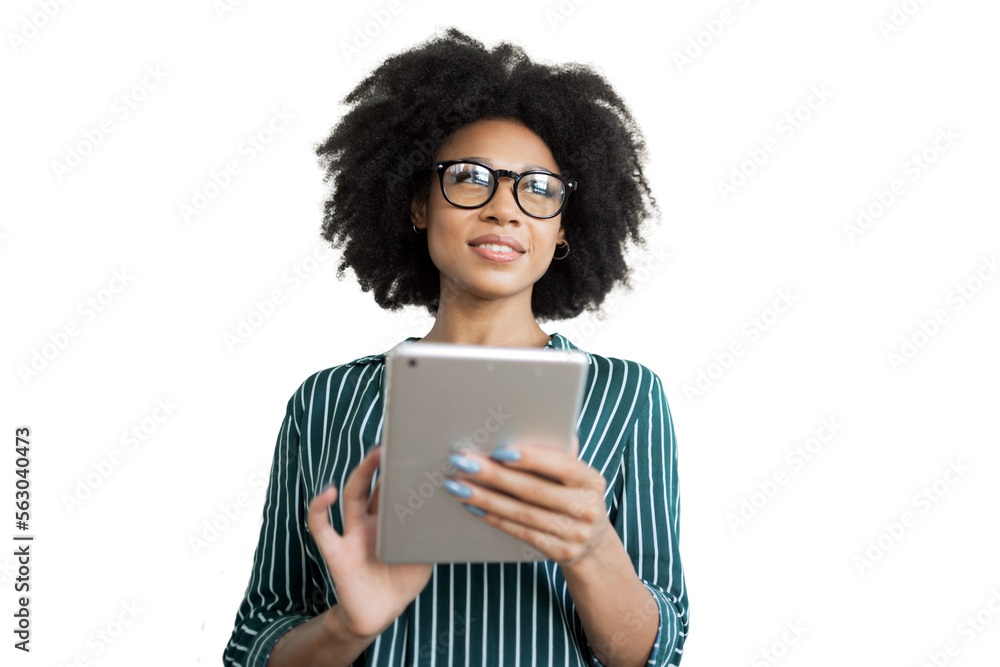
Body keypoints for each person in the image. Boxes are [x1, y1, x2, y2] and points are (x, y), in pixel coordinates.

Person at [223, 28, 688, 667]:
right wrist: (348, 627)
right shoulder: (327, 401)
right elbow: (257, 640)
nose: (504, 209)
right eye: (470, 178)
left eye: (539, 188)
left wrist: (590, 551)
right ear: (417, 204)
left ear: (562, 231)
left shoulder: (627, 396)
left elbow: (651, 655)